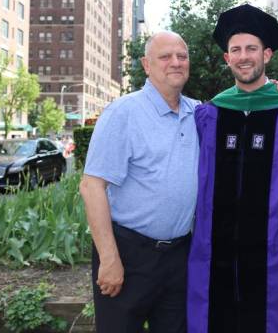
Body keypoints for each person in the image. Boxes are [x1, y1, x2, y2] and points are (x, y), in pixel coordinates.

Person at [80, 31, 199, 333]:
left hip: (178, 257)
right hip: (129, 255)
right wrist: (109, 259)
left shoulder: (199, 114)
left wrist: (273, 90)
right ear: (147, 65)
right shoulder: (123, 113)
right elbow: (92, 186)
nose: (175, 62)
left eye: (182, 56)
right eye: (165, 56)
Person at [188, 4, 278, 333]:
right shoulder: (209, 114)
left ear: (267, 55)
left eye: (251, 49)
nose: (243, 56)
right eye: (236, 50)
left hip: (271, 253)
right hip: (213, 254)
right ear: (227, 58)